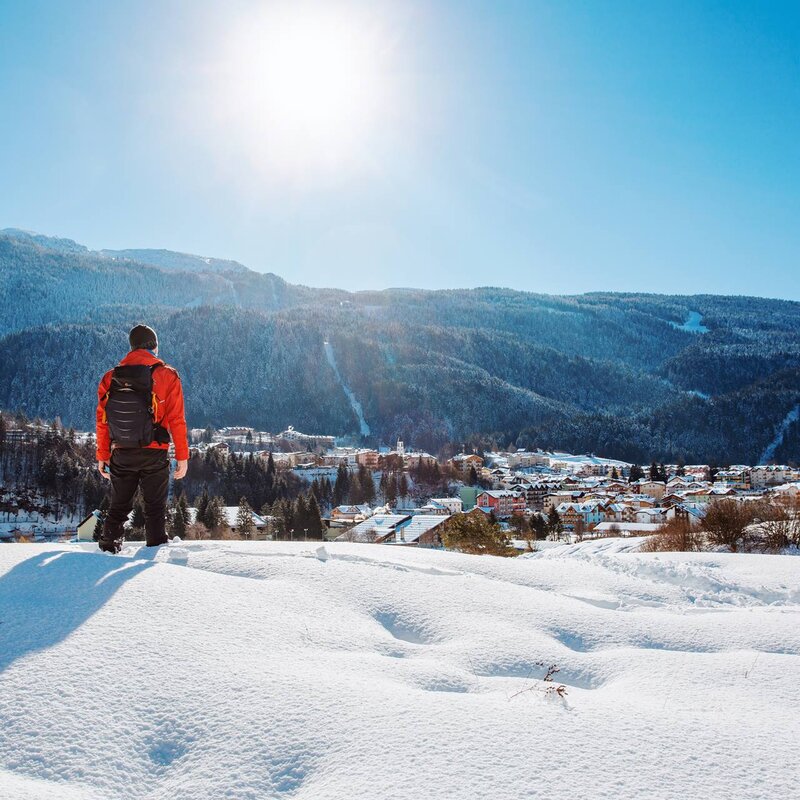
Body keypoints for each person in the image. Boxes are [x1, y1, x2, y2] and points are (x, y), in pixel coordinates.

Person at [95, 324, 189, 553]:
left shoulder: (111, 377)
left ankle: (107, 551)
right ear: (154, 347)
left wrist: (103, 456)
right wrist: (183, 456)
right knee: (154, 508)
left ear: (132, 346)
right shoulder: (167, 374)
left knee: (118, 506)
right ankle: (154, 553)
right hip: (154, 452)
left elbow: (103, 421)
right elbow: (177, 419)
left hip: (121, 451)